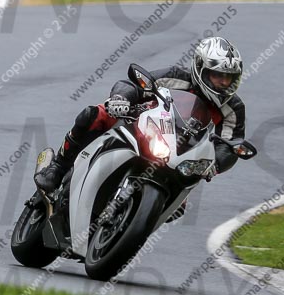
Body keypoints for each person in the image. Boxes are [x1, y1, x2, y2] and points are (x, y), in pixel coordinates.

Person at [35, 37, 246, 193]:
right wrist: (121, 98)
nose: (224, 82)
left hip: (180, 157)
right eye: (218, 75)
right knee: (94, 114)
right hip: (144, 128)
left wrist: (215, 165)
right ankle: (58, 167)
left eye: (229, 77)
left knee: (179, 206)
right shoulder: (176, 77)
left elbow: (231, 145)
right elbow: (134, 85)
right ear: (200, 68)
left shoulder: (233, 108)